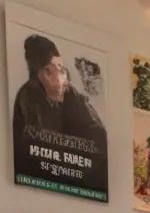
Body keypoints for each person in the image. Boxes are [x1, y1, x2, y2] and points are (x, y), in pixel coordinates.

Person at [12, 33, 107, 189]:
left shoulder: (69, 93)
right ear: (45, 73)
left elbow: (99, 136)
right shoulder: (28, 98)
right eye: (61, 69)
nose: (66, 78)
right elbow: (39, 154)